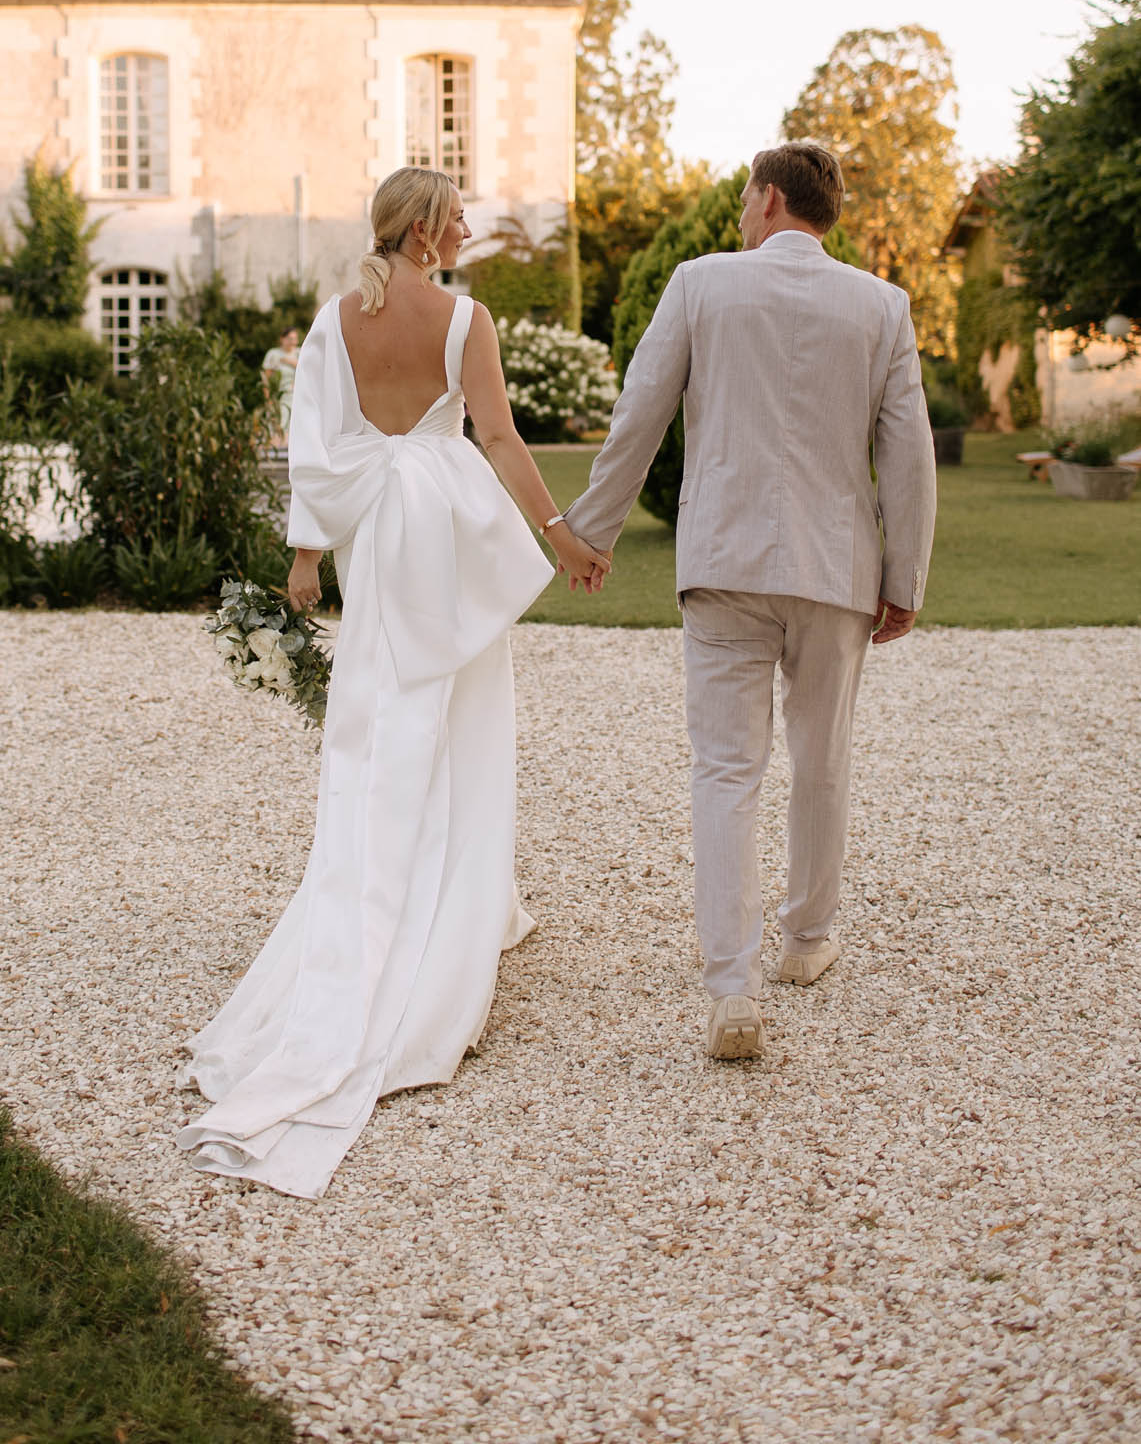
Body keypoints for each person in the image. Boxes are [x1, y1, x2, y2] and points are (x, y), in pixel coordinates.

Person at [178, 166, 610, 1196]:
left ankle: (420, 889)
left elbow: (313, 442)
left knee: (378, 727)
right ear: (424, 229)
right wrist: (558, 535)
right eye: (457, 213)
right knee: (461, 717)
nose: (468, 224)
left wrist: (307, 554)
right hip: (447, 537)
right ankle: (455, 913)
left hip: (379, 538)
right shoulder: (466, 319)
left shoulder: (335, 320)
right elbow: (497, 437)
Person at [562, 142, 937, 1062]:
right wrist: (905, 578)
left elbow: (639, 413)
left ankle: (730, 982)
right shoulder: (880, 306)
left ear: (770, 200)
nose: (739, 213)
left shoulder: (699, 284)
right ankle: (805, 942)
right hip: (833, 570)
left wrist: (591, 529)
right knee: (821, 760)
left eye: (743, 198)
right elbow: (908, 455)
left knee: (726, 770)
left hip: (723, 563)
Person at [261, 327, 299, 448]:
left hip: (297, 395)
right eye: (289, 338)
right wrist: (267, 398)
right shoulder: (273, 354)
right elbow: (266, 378)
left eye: (294, 338)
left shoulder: (300, 352)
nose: (292, 341)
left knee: (296, 427)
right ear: (282, 339)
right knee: (279, 425)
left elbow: (308, 369)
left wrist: (288, 361)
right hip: (279, 396)